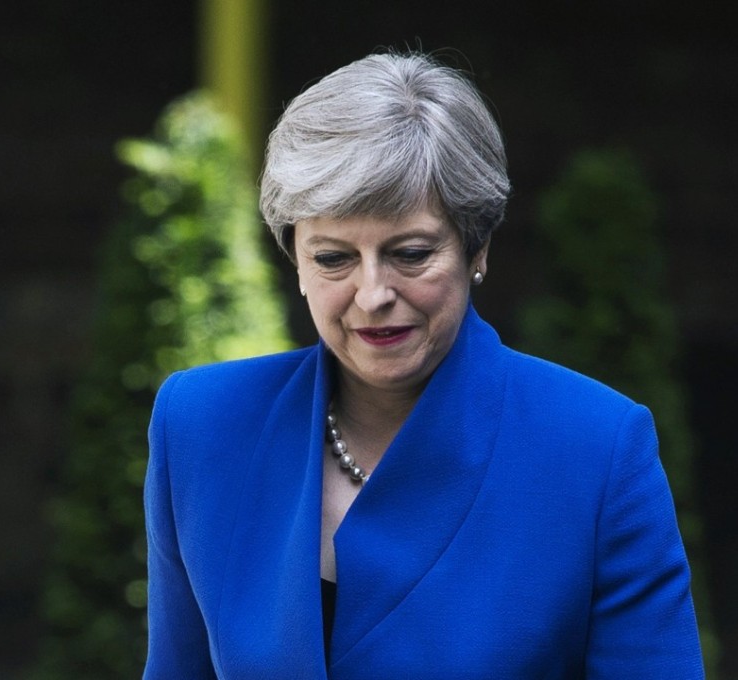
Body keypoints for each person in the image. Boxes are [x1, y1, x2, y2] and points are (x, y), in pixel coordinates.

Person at [143, 50, 704, 679]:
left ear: (477, 247)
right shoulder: (200, 425)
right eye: (333, 259)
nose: (373, 293)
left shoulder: (597, 448)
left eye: (409, 253)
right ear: (295, 262)